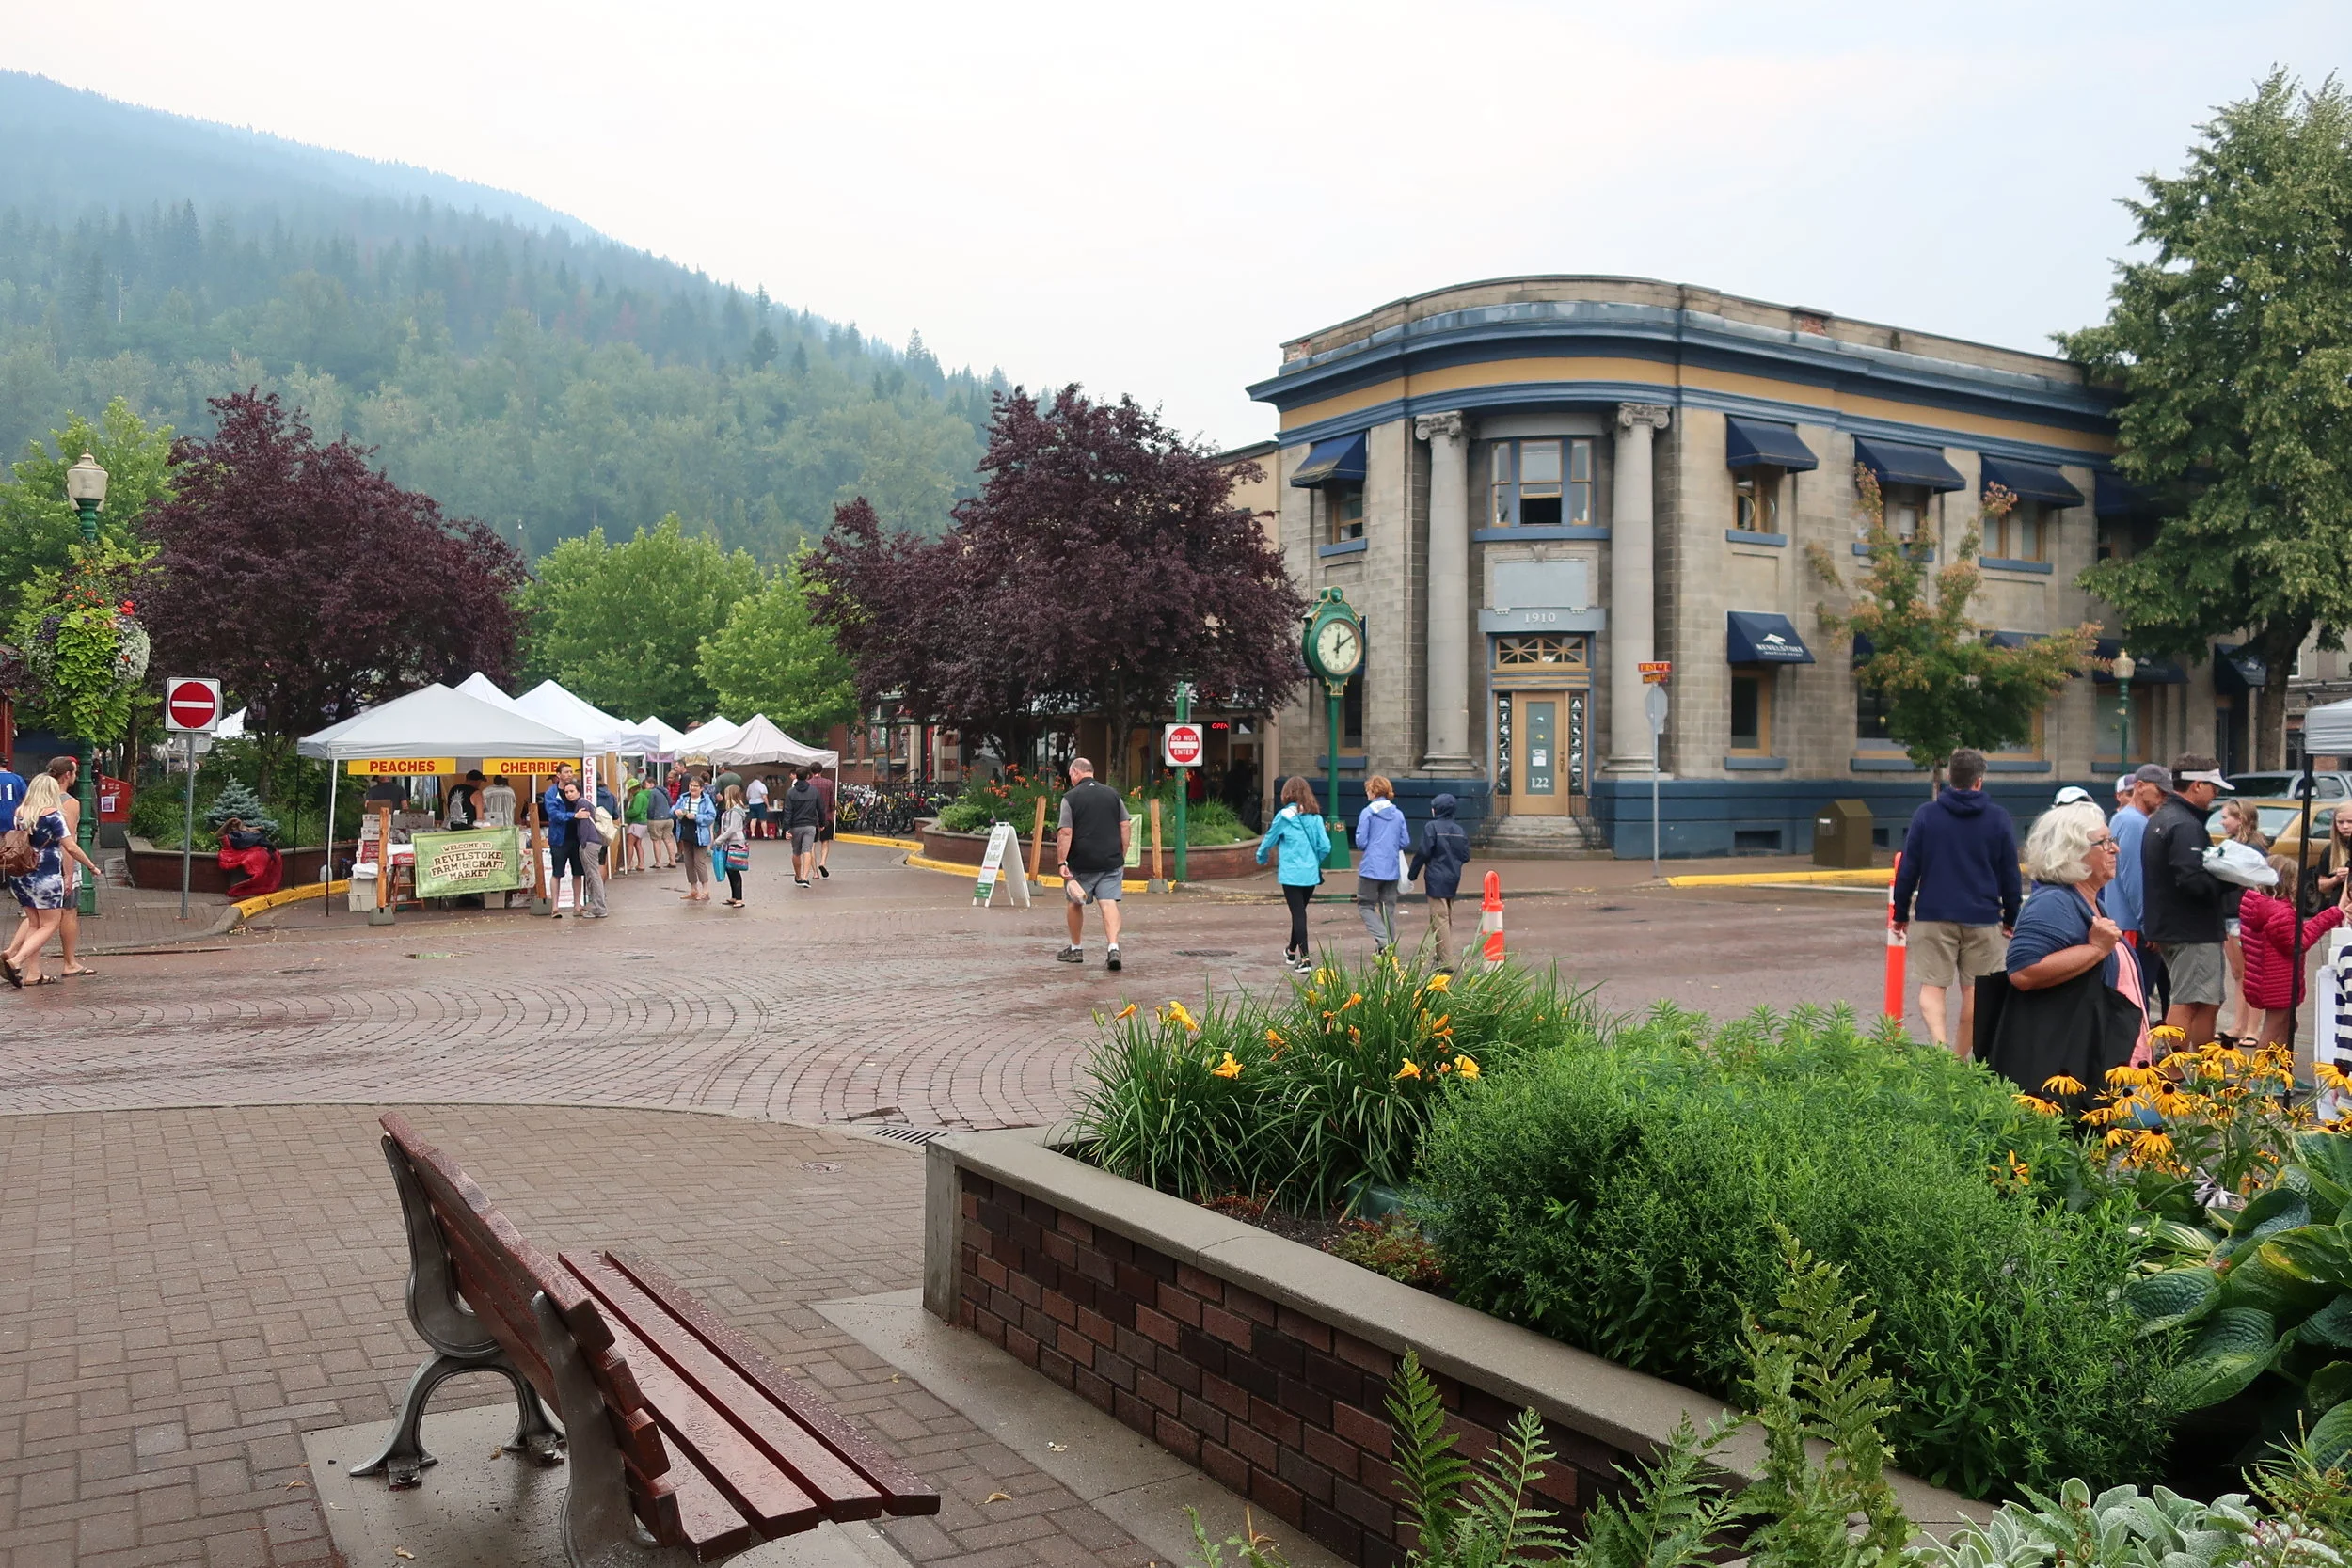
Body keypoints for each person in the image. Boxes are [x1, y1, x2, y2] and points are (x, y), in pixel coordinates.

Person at [1978, 801, 2146, 1102]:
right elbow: (2023, 971)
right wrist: (2095, 949)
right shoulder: (2053, 903)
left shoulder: (2088, 899)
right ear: (2073, 851)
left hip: (2083, 1062)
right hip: (2061, 1075)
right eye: (2105, 842)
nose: (2115, 849)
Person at [1891, 748, 2022, 1055]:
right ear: (1979, 781)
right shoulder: (1999, 818)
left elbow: (1909, 868)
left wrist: (1900, 913)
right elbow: (2010, 874)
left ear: (1951, 777)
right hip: (1983, 916)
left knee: (1932, 985)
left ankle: (1940, 1050)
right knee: (1976, 993)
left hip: (1934, 914)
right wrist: (2011, 917)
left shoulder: (1927, 814)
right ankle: (1960, 1060)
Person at [2143, 753, 2235, 1047]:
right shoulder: (2185, 825)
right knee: (2190, 1001)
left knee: (2204, 1001)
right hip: (2192, 930)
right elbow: (2192, 881)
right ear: (2196, 785)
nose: (2216, 794)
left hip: (2173, 927)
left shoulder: (2163, 817)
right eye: (2213, 787)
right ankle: (2176, 1075)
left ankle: (2199, 1071)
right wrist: (2231, 879)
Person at [2238, 853, 2350, 1048]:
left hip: (2265, 978)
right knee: (2273, 1029)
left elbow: (2294, 934)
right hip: (2279, 982)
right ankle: (2259, 1075)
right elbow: (2298, 943)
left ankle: (2280, 1069)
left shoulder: (2259, 905)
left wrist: (2336, 911)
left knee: (2288, 1025)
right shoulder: (2281, 913)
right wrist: (2333, 914)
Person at [3, 772, 101, 988]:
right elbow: (70, 847)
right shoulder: (53, 816)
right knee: (50, 924)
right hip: (45, 876)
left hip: (21, 875)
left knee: (34, 923)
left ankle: (33, 973)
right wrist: (91, 866)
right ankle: (15, 961)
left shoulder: (21, 813)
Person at [1054, 757, 1132, 970]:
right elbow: (1125, 825)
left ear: (1076, 773)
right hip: (1111, 860)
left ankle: (1076, 948)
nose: (1070, 778)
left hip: (1082, 862)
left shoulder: (1070, 798)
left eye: (1070, 775)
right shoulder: (1112, 795)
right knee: (1108, 902)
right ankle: (1113, 948)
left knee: (1074, 901)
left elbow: (1066, 831)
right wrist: (1122, 853)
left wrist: (1062, 861)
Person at [1256, 776, 1331, 974]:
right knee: (1299, 913)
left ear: (1287, 793)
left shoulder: (1283, 816)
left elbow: (1269, 839)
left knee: (1298, 914)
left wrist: (1261, 857)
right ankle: (1291, 952)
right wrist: (1315, 861)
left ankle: (1305, 959)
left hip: (1291, 875)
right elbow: (1325, 846)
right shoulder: (1315, 817)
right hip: (1310, 875)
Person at [2216, 796, 2270, 1042]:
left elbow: (2253, 881)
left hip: (2245, 915)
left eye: (2226, 816)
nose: (2222, 821)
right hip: (2228, 914)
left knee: (2251, 973)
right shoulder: (2229, 844)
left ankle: (2252, 1029)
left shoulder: (2254, 849)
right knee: (2239, 973)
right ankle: (2238, 1025)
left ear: (2241, 819)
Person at [44, 756, 94, 977]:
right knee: (69, 912)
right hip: (59, 864)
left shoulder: (35, 799)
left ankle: (28, 965)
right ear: (67, 775)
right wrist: (69, 873)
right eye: (74, 773)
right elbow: (69, 843)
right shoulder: (71, 804)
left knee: (36, 917)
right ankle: (70, 962)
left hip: (36, 864)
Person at [1407, 791, 1470, 964]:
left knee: (1439, 918)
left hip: (1436, 876)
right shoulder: (1459, 829)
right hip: (1453, 876)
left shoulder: (1432, 827)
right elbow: (1465, 856)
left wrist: (1412, 874)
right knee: (1445, 915)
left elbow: (1424, 852)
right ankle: (1441, 953)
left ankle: (1447, 960)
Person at [1354, 775, 1411, 955]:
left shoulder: (1368, 812)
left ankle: (1383, 940)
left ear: (1373, 791)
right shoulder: (1398, 813)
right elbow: (1405, 841)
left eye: (1368, 791)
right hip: (1391, 869)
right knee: (1388, 909)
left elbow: (1361, 842)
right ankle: (1388, 949)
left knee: (1365, 905)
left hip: (1371, 867)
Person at [558, 782, 609, 918]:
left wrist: (584, 842)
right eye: (567, 792)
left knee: (593, 875)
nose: (569, 794)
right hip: (591, 842)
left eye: (571, 791)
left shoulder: (581, 803)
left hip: (589, 843)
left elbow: (585, 824)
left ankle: (600, 907)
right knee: (592, 875)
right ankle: (598, 905)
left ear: (578, 792)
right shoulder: (582, 803)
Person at [541, 765, 584, 916]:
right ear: (558, 775)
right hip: (559, 838)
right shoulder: (551, 793)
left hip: (577, 837)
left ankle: (577, 905)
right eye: (566, 772)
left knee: (578, 872)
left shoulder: (577, 789)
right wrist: (573, 816)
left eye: (571, 772)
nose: (569, 774)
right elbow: (553, 814)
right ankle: (555, 907)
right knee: (557, 872)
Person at [215, 816, 283, 899]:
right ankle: (240, 887)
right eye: (232, 825)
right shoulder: (230, 836)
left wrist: (243, 827)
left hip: (254, 855)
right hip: (240, 856)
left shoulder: (248, 833)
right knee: (253, 863)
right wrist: (231, 823)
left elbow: (259, 831)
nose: (235, 826)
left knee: (257, 862)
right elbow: (219, 835)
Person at [675, 775, 716, 903]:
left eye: (695, 786)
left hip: (700, 834)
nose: (692, 788)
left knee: (699, 862)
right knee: (688, 863)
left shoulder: (706, 799)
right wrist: (676, 812)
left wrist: (697, 817)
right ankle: (693, 889)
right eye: (691, 785)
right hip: (686, 832)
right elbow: (674, 809)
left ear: (701, 788)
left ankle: (705, 890)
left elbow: (711, 816)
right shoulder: (684, 798)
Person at [781, 768, 825, 888]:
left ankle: (798, 876)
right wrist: (822, 823)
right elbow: (820, 809)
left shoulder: (791, 792)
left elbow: (787, 811)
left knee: (796, 852)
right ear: (807, 776)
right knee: (807, 850)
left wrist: (786, 828)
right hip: (810, 825)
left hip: (795, 826)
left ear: (796, 776)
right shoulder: (814, 791)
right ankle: (805, 878)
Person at [715, 784, 751, 907]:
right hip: (729, 842)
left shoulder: (735, 811)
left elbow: (732, 828)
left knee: (734, 870)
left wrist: (719, 839)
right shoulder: (731, 810)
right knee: (730, 869)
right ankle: (734, 896)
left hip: (735, 842)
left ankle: (739, 898)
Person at [644, 774, 676, 869]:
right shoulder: (664, 790)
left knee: (656, 841)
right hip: (668, 818)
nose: (645, 787)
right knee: (669, 840)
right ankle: (672, 861)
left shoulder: (652, 793)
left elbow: (650, 807)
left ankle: (658, 863)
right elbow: (670, 802)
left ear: (651, 784)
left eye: (646, 784)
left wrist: (648, 817)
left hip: (656, 819)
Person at [809, 767, 835, 879]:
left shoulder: (808, 784)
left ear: (811, 771)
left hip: (811, 817)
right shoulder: (829, 783)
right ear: (821, 771)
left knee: (811, 845)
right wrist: (833, 814)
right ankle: (822, 862)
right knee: (825, 841)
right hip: (826, 816)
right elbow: (832, 801)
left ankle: (815, 872)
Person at [623, 776, 651, 873]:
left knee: (629, 844)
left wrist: (626, 813)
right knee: (638, 844)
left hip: (636, 823)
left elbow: (635, 810)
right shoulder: (644, 795)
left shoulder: (638, 796)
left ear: (632, 789)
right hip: (643, 822)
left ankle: (629, 865)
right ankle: (641, 864)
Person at [746, 773, 771, 840]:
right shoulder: (761, 785)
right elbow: (764, 796)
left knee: (753, 819)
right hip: (760, 803)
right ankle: (765, 835)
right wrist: (768, 806)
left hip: (752, 803)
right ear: (761, 779)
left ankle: (752, 834)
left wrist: (749, 802)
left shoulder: (750, 785)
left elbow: (747, 796)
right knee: (763, 820)